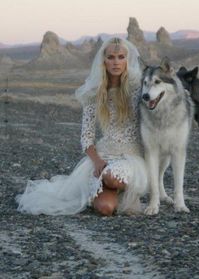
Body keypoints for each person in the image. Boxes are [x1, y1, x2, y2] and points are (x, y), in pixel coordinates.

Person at [16, 37, 148, 216]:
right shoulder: (94, 93)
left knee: (112, 177)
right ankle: (114, 193)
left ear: (127, 59)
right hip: (104, 157)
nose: (116, 62)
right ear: (104, 61)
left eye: (121, 57)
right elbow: (87, 137)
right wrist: (97, 161)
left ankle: (123, 188)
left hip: (131, 158)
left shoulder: (139, 87)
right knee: (105, 209)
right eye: (111, 57)